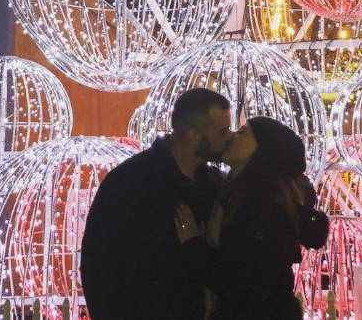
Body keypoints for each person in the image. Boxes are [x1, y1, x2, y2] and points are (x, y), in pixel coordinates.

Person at [81, 88, 233, 319]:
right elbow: (98, 265)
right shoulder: (130, 182)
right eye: (222, 131)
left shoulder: (214, 185)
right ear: (193, 135)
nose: (229, 137)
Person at [175, 116, 329, 320]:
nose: (231, 136)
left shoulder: (265, 211)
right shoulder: (230, 194)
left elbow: (240, 284)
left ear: (262, 150)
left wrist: (193, 244)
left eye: (242, 132)